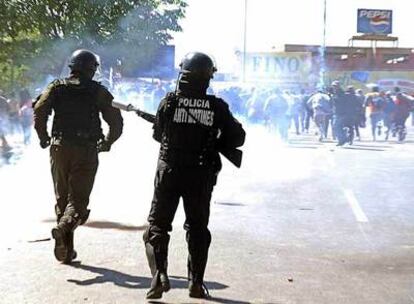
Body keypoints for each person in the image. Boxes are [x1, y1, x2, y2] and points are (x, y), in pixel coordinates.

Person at [143, 52, 246, 300]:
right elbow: (238, 138)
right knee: (198, 228)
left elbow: (158, 135)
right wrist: (213, 139)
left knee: (157, 226)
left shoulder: (169, 102)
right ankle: (196, 284)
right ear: (207, 78)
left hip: (168, 171)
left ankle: (159, 276)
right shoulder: (217, 106)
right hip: (200, 173)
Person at [33, 49, 123, 264]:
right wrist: (108, 142)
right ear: (92, 69)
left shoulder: (56, 87)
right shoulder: (97, 91)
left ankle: (65, 250)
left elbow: (39, 110)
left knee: (63, 199)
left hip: (59, 148)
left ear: (72, 67)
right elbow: (116, 122)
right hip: (85, 150)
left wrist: (44, 137)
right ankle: (63, 229)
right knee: (78, 202)